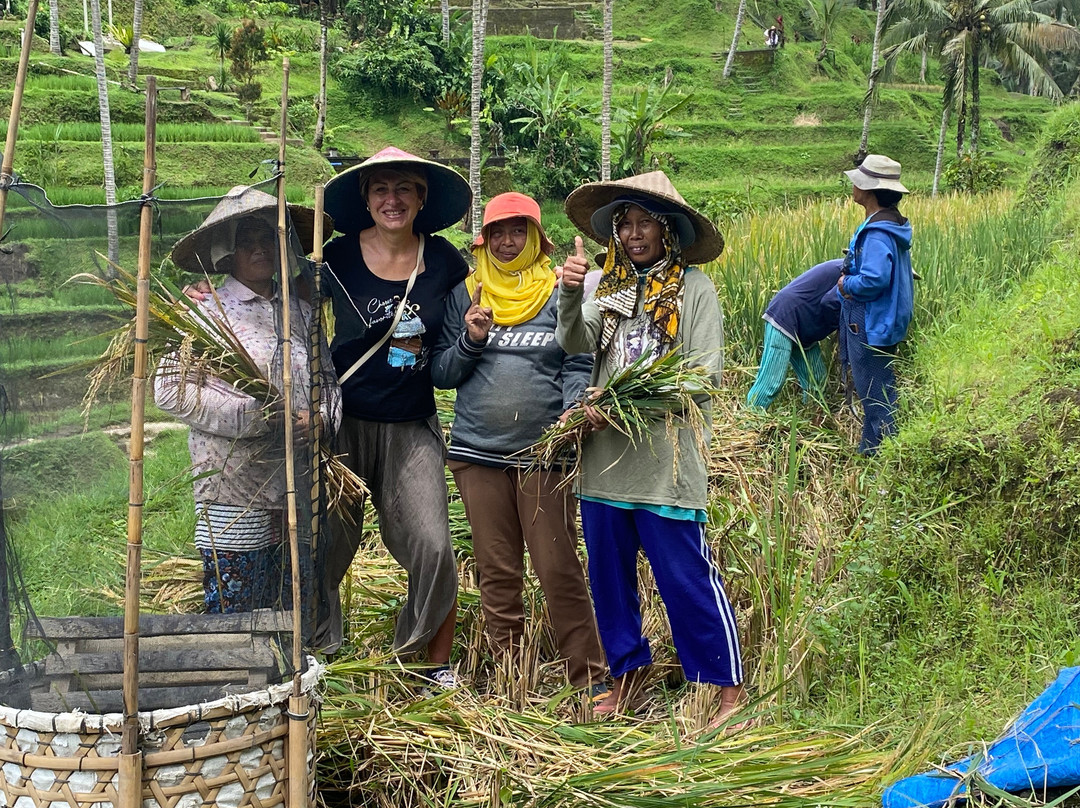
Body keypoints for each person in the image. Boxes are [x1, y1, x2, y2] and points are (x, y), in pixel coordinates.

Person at [556, 171, 745, 725]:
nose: (634, 233)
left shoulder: (694, 290)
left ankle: (725, 687)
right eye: (625, 224)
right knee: (610, 584)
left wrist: (618, 404)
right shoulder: (608, 286)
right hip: (605, 466)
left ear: (668, 230)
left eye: (645, 223)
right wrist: (570, 293)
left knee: (685, 579)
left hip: (666, 465)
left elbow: (702, 377)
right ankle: (628, 676)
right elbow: (575, 341)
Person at [431, 192, 608, 698]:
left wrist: (575, 406)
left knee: (558, 567)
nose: (508, 242)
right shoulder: (467, 293)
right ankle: (509, 675)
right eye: (498, 232)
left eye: (519, 231)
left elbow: (577, 362)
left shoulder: (557, 291)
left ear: (536, 238)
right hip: (478, 454)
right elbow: (443, 373)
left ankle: (590, 677)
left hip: (544, 455)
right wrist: (471, 339)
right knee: (497, 569)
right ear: (484, 240)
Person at [318, 147, 473, 686]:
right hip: (343, 423)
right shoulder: (335, 256)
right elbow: (286, 303)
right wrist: (214, 296)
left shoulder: (446, 261)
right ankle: (319, 650)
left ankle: (427, 659)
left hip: (412, 424)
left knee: (433, 543)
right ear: (366, 199)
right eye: (381, 189)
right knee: (326, 543)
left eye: (404, 188)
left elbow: (461, 338)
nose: (392, 199)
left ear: (421, 198)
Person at [155, 186, 341, 614]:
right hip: (233, 488)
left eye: (268, 239)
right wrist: (256, 416)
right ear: (227, 254)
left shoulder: (301, 314)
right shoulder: (206, 312)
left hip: (297, 484)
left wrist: (319, 419)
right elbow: (169, 389)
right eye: (247, 242)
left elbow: (329, 384)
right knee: (236, 613)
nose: (259, 249)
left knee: (292, 609)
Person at [837, 153, 914, 455]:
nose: (853, 186)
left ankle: (883, 453)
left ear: (869, 190)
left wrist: (846, 284)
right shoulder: (890, 225)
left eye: (858, 181)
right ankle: (872, 449)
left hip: (870, 320)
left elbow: (874, 280)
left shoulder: (878, 233)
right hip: (882, 318)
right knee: (877, 386)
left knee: (874, 391)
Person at [746, 258, 843, 410]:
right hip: (784, 317)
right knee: (771, 382)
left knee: (817, 381)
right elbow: (830, 302)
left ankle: (813, 417)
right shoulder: (851, 273)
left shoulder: (853, 270)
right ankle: (750, 417)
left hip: (805, 328)